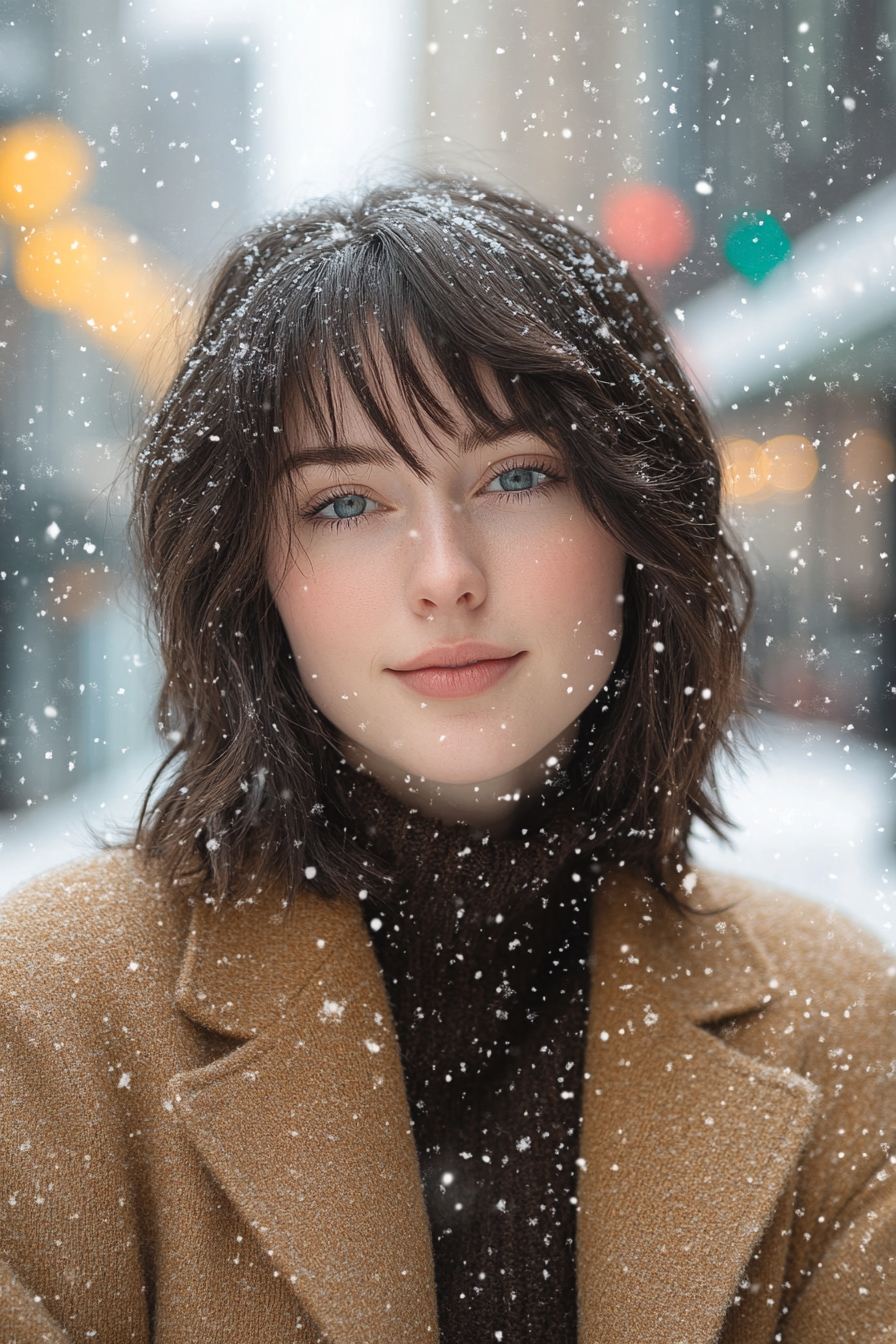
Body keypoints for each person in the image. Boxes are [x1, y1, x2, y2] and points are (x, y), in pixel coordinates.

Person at [1, 176, 894, 1344]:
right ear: (251, 574)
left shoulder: (839, 1023)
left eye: (516, 476)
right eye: (344, 502)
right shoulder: (49, 1021)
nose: (443, 571)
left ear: (633, 521)